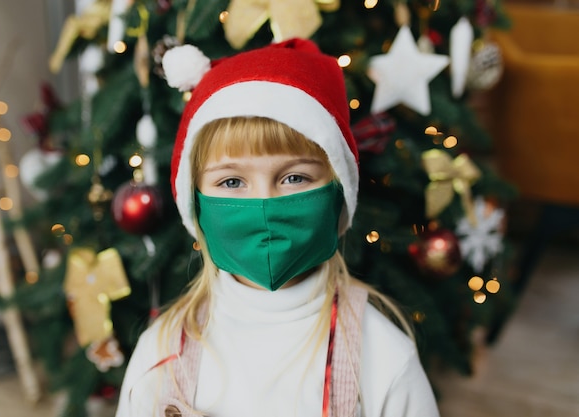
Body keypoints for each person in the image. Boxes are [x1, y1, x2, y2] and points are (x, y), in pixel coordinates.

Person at [115, 38, 440, 417]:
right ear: (196, 205)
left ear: (339, 195)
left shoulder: (384, 359)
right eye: (232, 182)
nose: (265, 206)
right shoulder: (160, 355)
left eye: (295, 178)